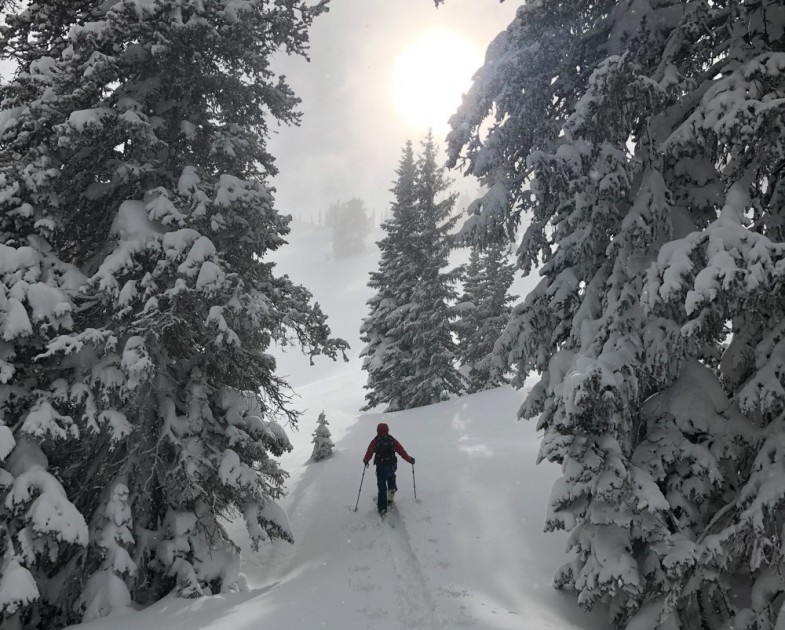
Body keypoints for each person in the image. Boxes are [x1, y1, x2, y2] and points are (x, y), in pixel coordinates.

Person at [363, 422, 415, 516]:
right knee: (391, 477)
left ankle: (382, 508)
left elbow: (369, 451)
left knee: (382, 487)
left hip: (381, 466)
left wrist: (366, 460)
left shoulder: (376, 440)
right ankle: (391, 492)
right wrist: (409, 459)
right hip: (392, 465)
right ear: (387, 430)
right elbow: (401, 451)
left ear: (377, 430)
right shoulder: (392, 440)